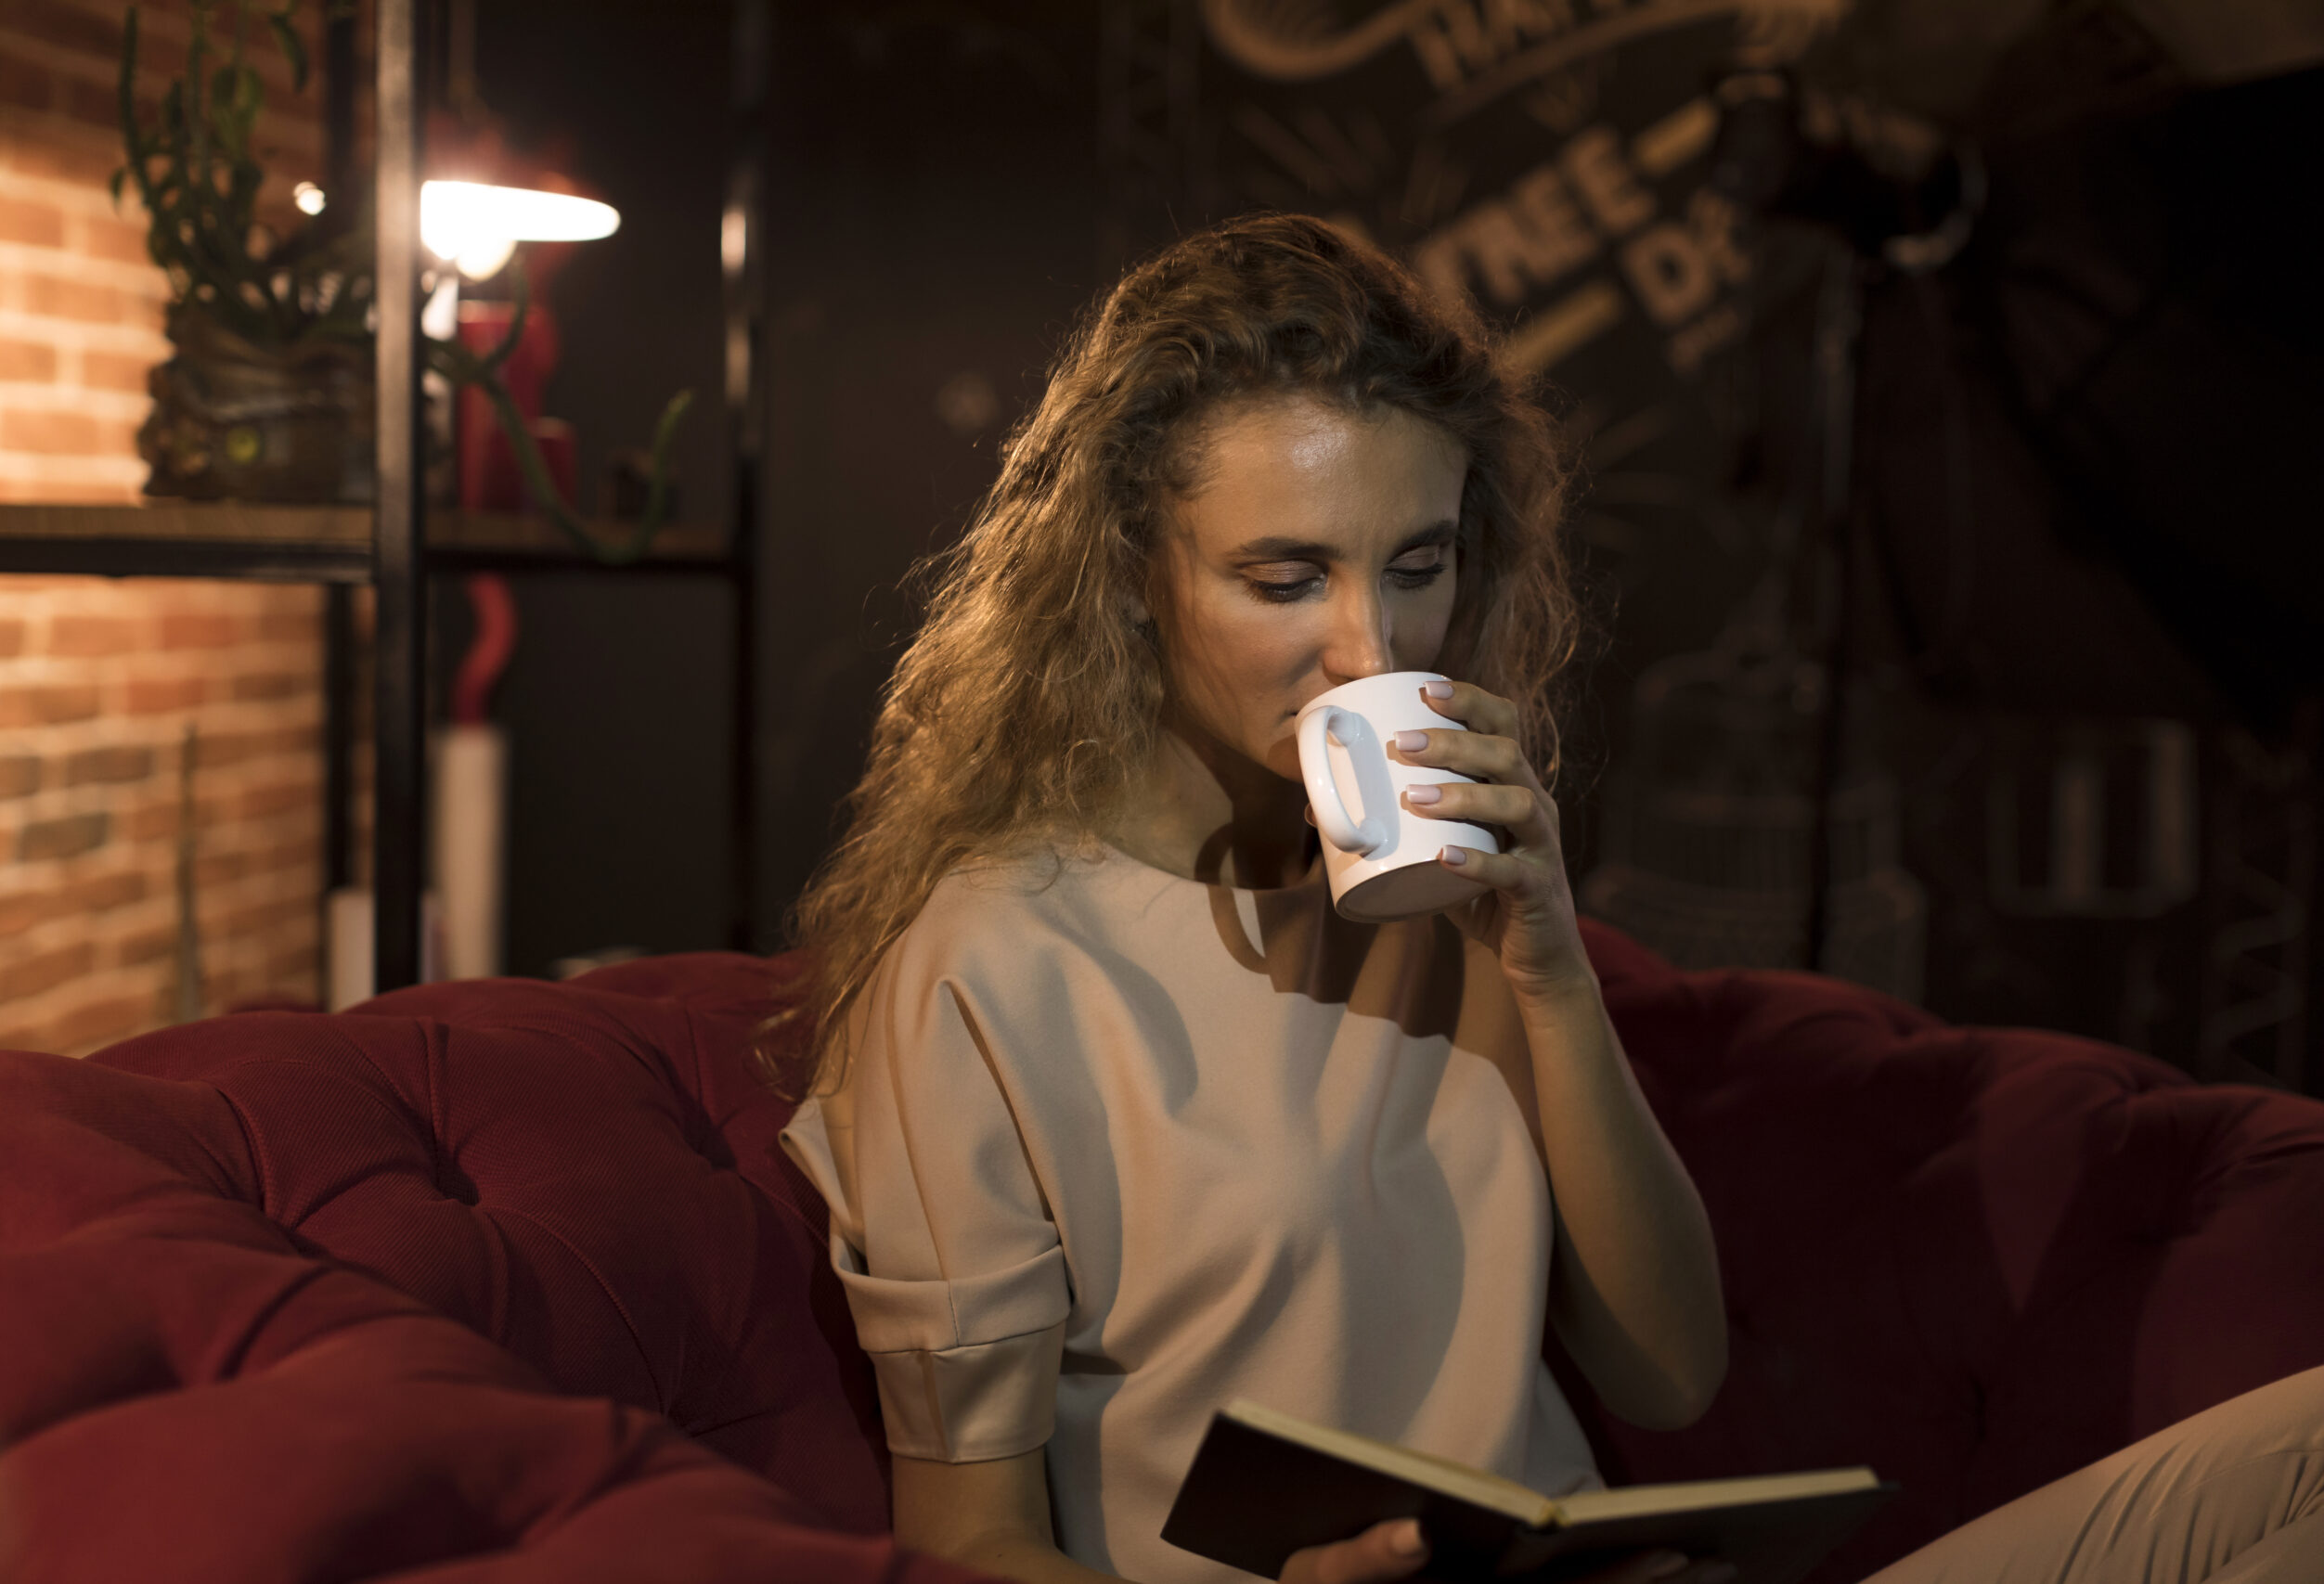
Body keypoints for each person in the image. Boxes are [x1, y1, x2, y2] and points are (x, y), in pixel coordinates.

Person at [778, 212, 2324, 1584]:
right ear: (1130, 572)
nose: (1371, 652)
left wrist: (1550, 971)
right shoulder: (989, 962)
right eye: (1285, 577)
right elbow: (965, 1540)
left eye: (1419, 565)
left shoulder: (1440, 896)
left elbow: (1665, 1373)